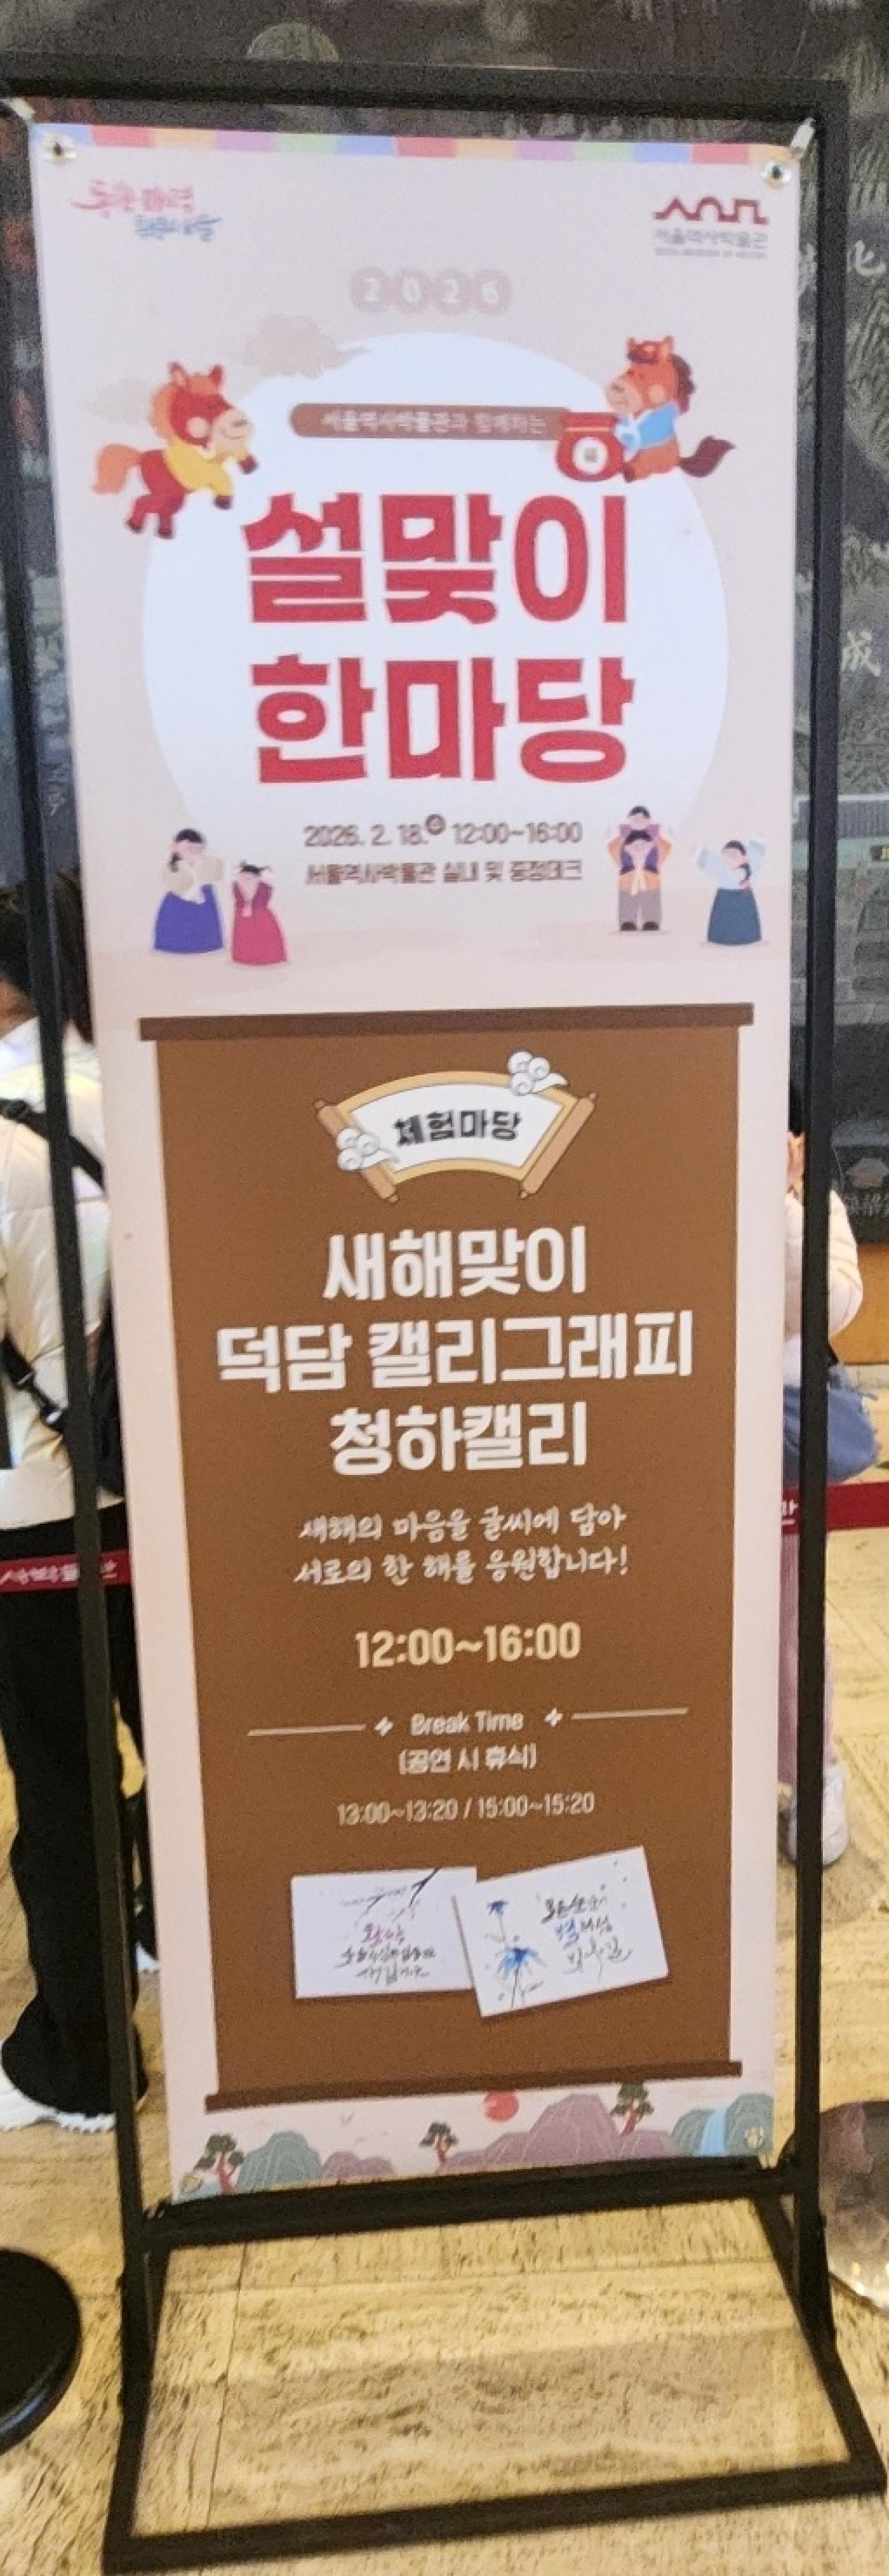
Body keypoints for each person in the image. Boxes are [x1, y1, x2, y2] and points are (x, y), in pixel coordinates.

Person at [0, 874, 148, 2130]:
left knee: (58, 1779)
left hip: (30, 1508)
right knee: (183, 1742)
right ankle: (167, 1933)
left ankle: (84, 2060)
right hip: (157, 1492)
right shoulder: (141, 1098)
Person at [781, 1081, 863, 1866]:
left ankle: (814, 1774)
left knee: (788, 1621)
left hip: (781, 1442)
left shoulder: (816, 1209)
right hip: (687, 1437)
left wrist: (778, 1202)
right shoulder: (677, 1196)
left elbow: (828, 1305)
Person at [153, 828, 223, 955]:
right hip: (179, 904)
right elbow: (185, 892)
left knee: (206, 929)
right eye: (189, 849)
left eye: (199, 849)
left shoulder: (208, 864)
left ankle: (208, 944)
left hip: (205, 906)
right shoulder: (173, 869)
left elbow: (225, 872)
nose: (194, 853)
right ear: (176, 848)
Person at [608, 804, 672, 932]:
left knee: (651, 899)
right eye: (635, 818)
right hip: (628, 877)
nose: (639, 821)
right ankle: (627, 921)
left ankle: (651, 921)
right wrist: (623, 838)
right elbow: (613, 851)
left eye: (643, 818)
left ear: (649, 820)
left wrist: (656, 838)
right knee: (627, 900)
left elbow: (665, 851)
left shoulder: (655, 838)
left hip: (650, 877)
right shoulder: (623, 838)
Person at [696, 837, 764, 945]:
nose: (730, 858)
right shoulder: (722, 874)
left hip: (742, 899)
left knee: (744, 919)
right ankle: (719, 937)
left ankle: (747, 937)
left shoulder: (745, 873)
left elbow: (736, 877)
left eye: (734, 855)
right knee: (722, 918)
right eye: (727, 855)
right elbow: (710, 865)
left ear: (744, 858)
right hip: (724, 898)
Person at [231, 863, 287, 967]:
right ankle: (245, 957)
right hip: (244, 916)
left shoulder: (264, 885)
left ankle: (267, 957)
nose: (247, 878)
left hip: (260, 915)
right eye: (245, 875)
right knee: (245, 936)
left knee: (263, 935)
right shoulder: (237, 884)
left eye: (250, 876)